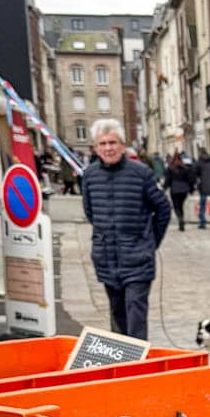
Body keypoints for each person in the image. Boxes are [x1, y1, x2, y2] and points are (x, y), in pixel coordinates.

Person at [81, 118, 171, 341]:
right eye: (103, 144)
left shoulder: (141, 173)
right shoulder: (90, 176)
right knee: (117, 314)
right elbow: (90, 212)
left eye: (113, 142)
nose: (108, 148)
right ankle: (121, 358)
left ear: (122, 145)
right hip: (106, 258)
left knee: (135, 314)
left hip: (137, 259)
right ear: (95, 148)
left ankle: (137, 359)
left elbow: (162, 208)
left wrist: (150, 242)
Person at [163, 150, 195, 232]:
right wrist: (191, 189)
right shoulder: (185, 168)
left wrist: (164, 188)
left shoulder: (170, 168)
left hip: (175, 189)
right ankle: (181, 219)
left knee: (176, 206)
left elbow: (168, 180)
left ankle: (180, 218)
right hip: (184, 189)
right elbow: (190, 180)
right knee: (181, 205)